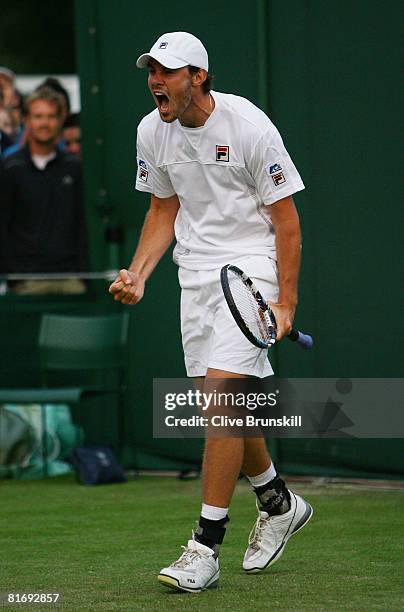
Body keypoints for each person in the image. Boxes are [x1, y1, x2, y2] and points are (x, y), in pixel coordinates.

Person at [109, 32, 312, 592]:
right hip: (195, 274)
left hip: (252, 268)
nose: (155, 80)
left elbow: (287, 222)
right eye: (151, 70)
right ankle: (278, 502)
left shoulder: (249, 126)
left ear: (198, 76)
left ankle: (205, 547)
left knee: (223, 400)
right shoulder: (152, 130)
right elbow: (161, 207)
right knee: (223, 409)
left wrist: (285, 302)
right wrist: (138, 274)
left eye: (168, 72)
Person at [0, 87, 87, 294]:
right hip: (25, 282)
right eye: (38, 116)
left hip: (71, 280)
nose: (44, 123)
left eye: (50, 116)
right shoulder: (9, 168)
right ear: (27, 120)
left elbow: (81, 224)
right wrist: (13, 276)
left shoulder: (73, 168)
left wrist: (83, 276)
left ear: (60, 120)